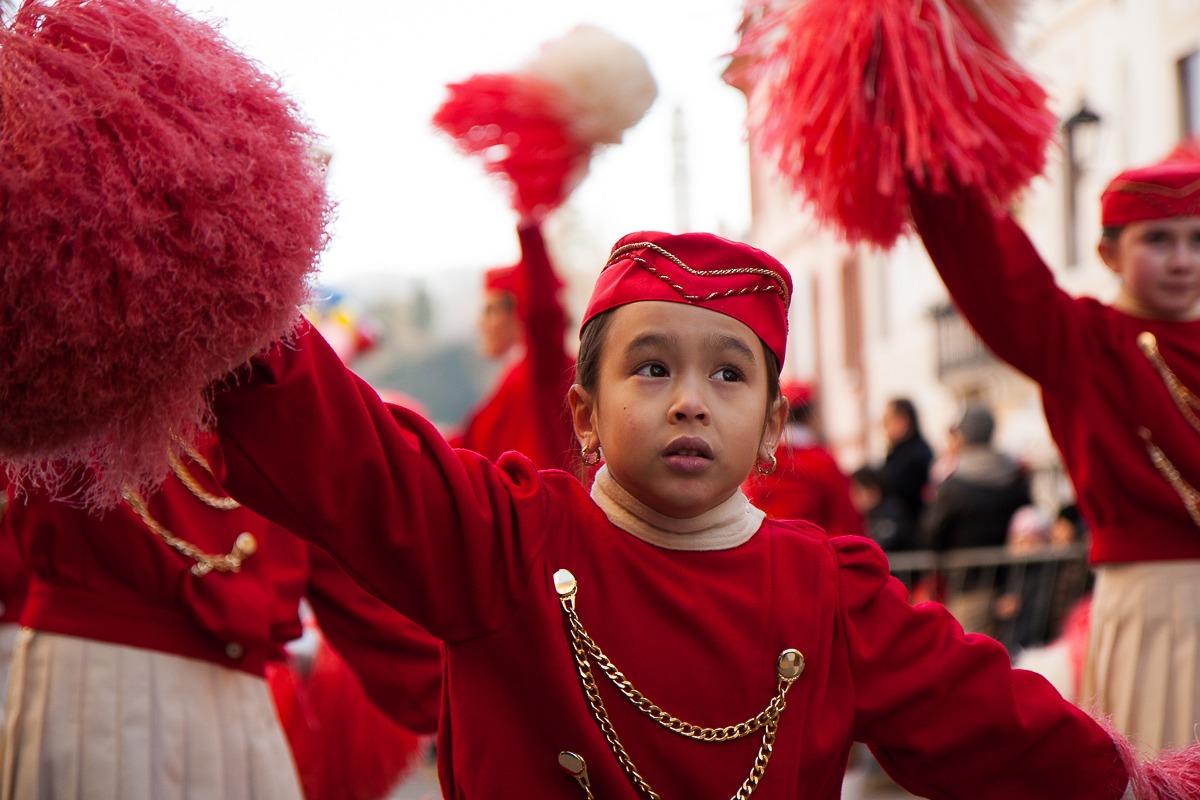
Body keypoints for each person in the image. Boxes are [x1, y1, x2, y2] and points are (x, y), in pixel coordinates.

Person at [205, 229, 1167, 798]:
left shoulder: (827, 587)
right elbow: (342, 447)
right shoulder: (503, 538)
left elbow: (994, 721)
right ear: (583, 413)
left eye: (729, 373)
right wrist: (215, 272)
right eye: (652, 366)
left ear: (772, 427)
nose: (690, 400)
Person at [909, 152, 1200, 755]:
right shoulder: (1082, 342)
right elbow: (989, 263)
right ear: (1108, 254)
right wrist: (937, 138)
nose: (1181, 260)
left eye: (1197, 240)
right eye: (1158, 240)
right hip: (1158, 612)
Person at [0, 440, 442, 800]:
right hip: (96, 687)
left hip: (238, 710)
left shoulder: (260, 378)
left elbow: (355, 583)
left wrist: (469, 706)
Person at [451, 220, 578, 474]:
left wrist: (529, 223)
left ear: (518, 312)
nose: (480, 323)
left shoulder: (546, 370)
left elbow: (543, 313)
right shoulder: (514, 378)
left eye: (489, 310)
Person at [919, 405, 1032, 634]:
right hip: (1014, 583)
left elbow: (930, 534)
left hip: (968, 586)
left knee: (971, 658)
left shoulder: (953, 486)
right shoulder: (1015, 476)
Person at [742, 382, 863, 536]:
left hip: (764, 549)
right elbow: (846, 519)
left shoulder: (755, 460)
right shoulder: (823, 461)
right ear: (810, 416)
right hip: (811, 551)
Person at [878, 397, 934, 550]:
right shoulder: (901, 453)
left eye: (886, 420)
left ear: (902, 421)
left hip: (910, 541)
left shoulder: (915, 456)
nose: (883, 427)